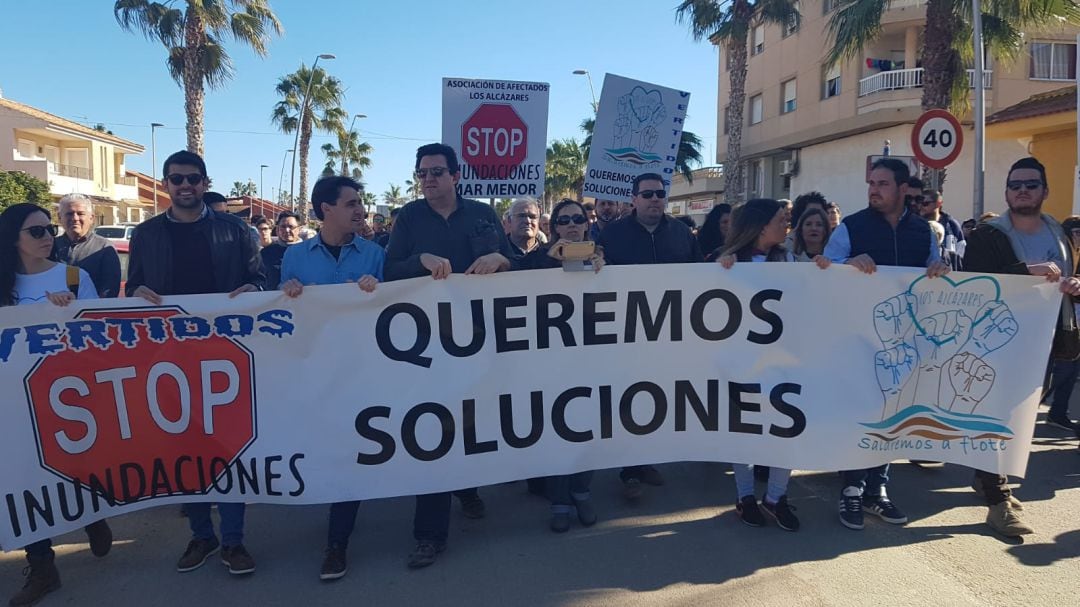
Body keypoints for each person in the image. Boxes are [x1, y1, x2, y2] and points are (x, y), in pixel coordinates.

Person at [126, 150, 264, 575]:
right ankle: (202, 535)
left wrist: (253, 288)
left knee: (229, 445)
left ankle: (234, 541)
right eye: (176, 178)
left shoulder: (236, 230)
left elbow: (260, 279)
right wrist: (136, 296)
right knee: (184, 446)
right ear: (166, 184)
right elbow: (134, 287)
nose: (184, 185)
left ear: (204, 183)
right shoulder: (145, 235)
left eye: (192, 178)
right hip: (168, 358)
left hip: (226, 354)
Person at [384, 143, 512, 568]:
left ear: (456, 176)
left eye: (437, 171)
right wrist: (419, 259)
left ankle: (469, 488)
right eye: (422, 173)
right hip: (427, 344)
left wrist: (501, 258)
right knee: (434, 429)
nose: (428, 179)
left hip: (480, 337)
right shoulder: (409, 217)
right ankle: (429, 534)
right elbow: (390, 271)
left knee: (474, 422)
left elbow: (514, 262)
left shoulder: (482, 214)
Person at [824, 157, 950, 532]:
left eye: (881, 183)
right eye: (871, 183)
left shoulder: (924, 232)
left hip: (904, 343)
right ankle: (851, 490)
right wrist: (847, 263)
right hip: (857, 340)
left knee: (892, 415)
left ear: (902, 189)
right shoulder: (850, 227)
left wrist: (940, 270)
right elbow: (821, 273)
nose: (873, 189)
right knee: (860, 414)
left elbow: (935, 272)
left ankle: (876, 490)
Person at [0, 203, 113, 607]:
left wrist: (70, 315)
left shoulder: (73, 276)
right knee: (21, 478)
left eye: (48, 227)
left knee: (74, 466)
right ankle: (42, 566)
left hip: (67, 395)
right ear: (13, 239)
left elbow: (98, 336)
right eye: (35, 231)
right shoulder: (4, 284)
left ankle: (91, 513)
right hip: (14, 399)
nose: (47, 235)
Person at [963, 157, 1080, 537]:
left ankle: (988, 480)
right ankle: (997, 500)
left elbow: (1063, 281)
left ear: (1044, 191)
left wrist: (1074, 285)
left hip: (1044, 341)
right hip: (996, 343)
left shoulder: (1058, 234)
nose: (1022, 190)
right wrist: (1022, 273)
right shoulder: (987, 236)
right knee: (995, 417)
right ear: (1007, 192)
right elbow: (974, 282)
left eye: (1031, 184)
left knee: (1019, 418)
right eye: (1015, 185)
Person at [279, 176, 384, 580]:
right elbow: (280, 314)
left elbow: (395, 309)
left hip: (361, 370)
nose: (360, 210)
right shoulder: (294, 258)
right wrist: (286, 290)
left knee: (351, 452)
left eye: (361, 202)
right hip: (311, 372)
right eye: (351, 203)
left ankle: (337, 541)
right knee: (320, 447)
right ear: (326, 209)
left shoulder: (375, 254)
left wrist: (377, 291)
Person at [716, 198, 830, 531]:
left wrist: (824, 270)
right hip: (740, 365)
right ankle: (745, 496)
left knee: (786, 431)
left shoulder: (792, 261)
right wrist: (719, 271)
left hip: (784, 364)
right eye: (782, 219)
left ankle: (776, 498)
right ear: (762, 225)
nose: (788, 225)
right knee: (744, 433)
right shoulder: (728, 262)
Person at [597, 173, 702, 499]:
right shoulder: (612, 235)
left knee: (661, 397)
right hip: (627, 333)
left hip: (671, 333)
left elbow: (700, 274)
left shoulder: (682, 233)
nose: (655, 199)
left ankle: (648, 460)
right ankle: (630, 468)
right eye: (648, 194)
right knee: (631, 398)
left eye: (660, 194)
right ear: (634, 199)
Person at [514, 198, 605, 531]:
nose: (570, 224)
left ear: (586, 223)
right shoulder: (538, 259)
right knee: (555, 430)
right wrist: (548, 256)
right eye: (563, 220)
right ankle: (559, 500)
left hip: (590, 361)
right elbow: (515, 283)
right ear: (553, 229)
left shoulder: (602, 258)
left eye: (577, 219)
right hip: (548, 363)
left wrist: (603, 268)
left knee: (588, 429)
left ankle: (581, 491)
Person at [53, 193, 121, 298]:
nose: (75, 218)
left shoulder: (104, 248)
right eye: (69, 214)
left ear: (91, 218)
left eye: (80, 213)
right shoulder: (50, 247)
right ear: (59, 217)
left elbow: (109, 290)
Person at [919, 189, 965, 271]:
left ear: (938, 204)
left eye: (925, 203)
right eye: (920, 203)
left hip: (949, 274)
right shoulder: (916, 225)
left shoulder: (952, 225)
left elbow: (961, 251)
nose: (921, 207)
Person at [260, 211, 303, 289]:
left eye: (291, 227)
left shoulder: (309, 251)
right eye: (283, 226)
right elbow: (259, 279)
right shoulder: (266, 253)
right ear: (277, 229)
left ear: (299, 229)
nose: (287, 230)